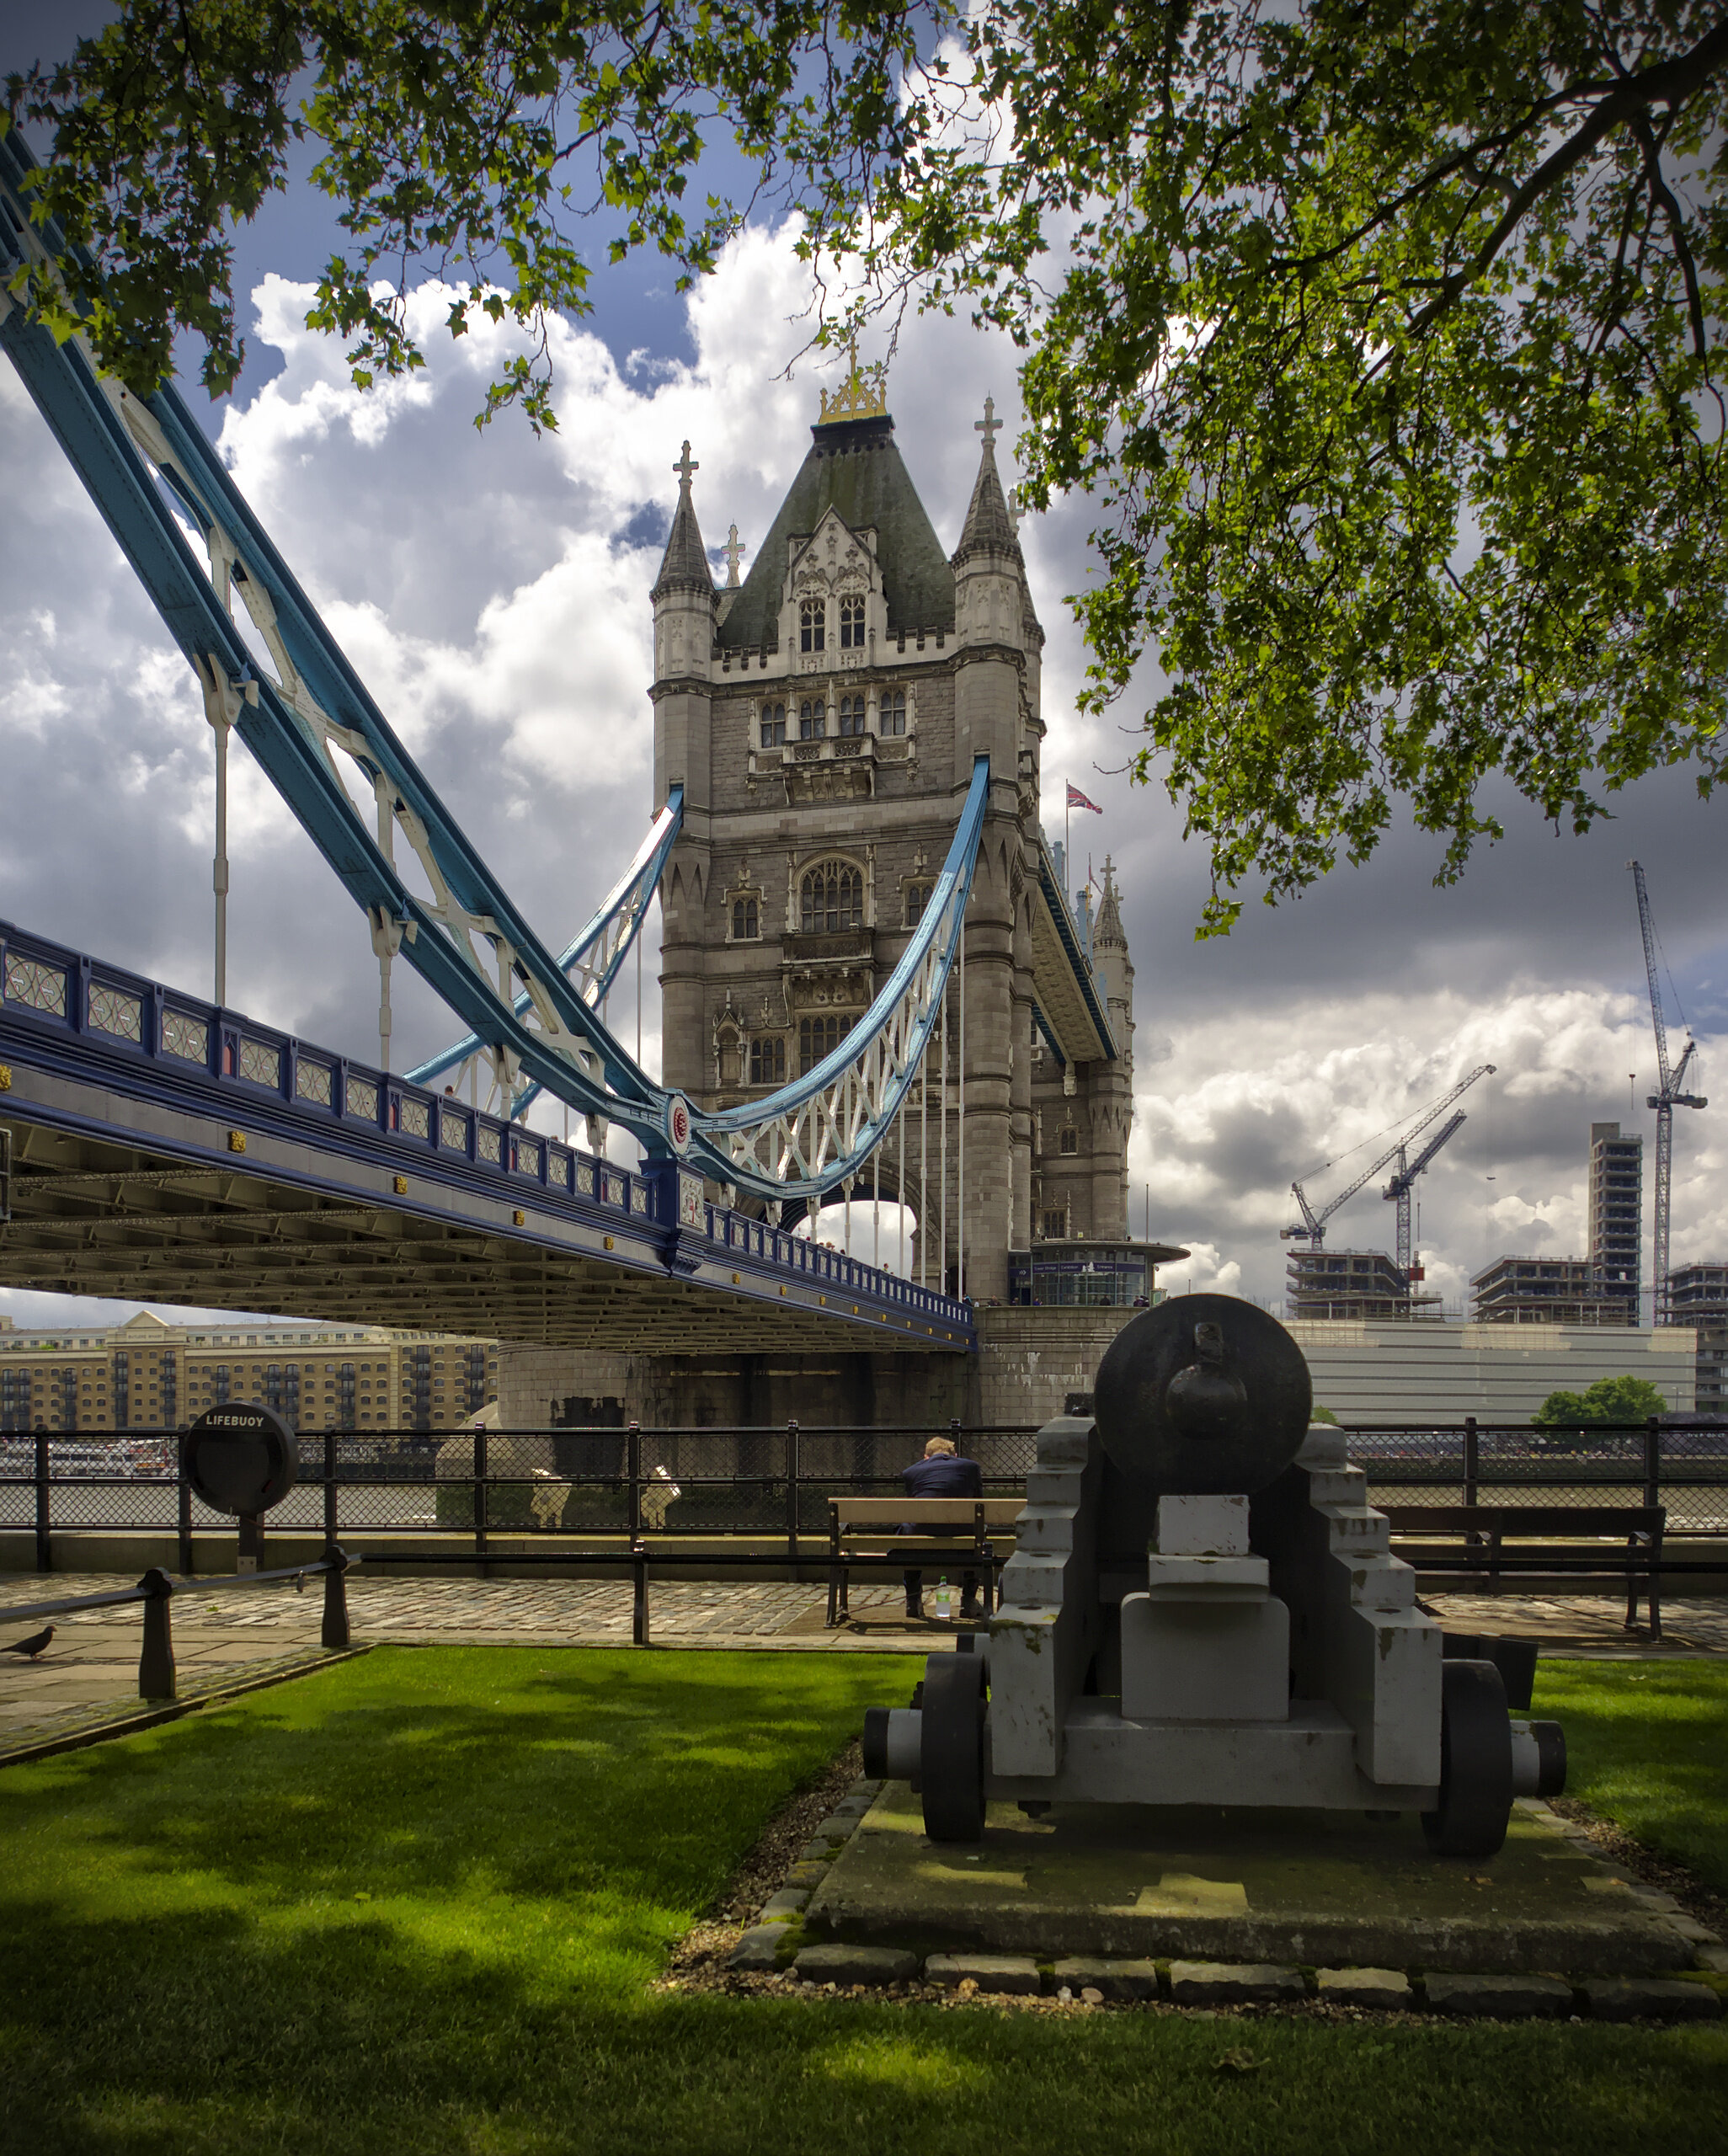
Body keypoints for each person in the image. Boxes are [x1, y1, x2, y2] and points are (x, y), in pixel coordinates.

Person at [899, 1434, 984, 1622]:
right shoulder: (971, 1468)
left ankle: (913, 1601)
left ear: (925, 1457)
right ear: (955, 1455)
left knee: (912, 1532)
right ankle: (968, 1601)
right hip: (963, 1542)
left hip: (920, 1542)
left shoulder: (911, 1472)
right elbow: (979, 1500)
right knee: (977, 1534)